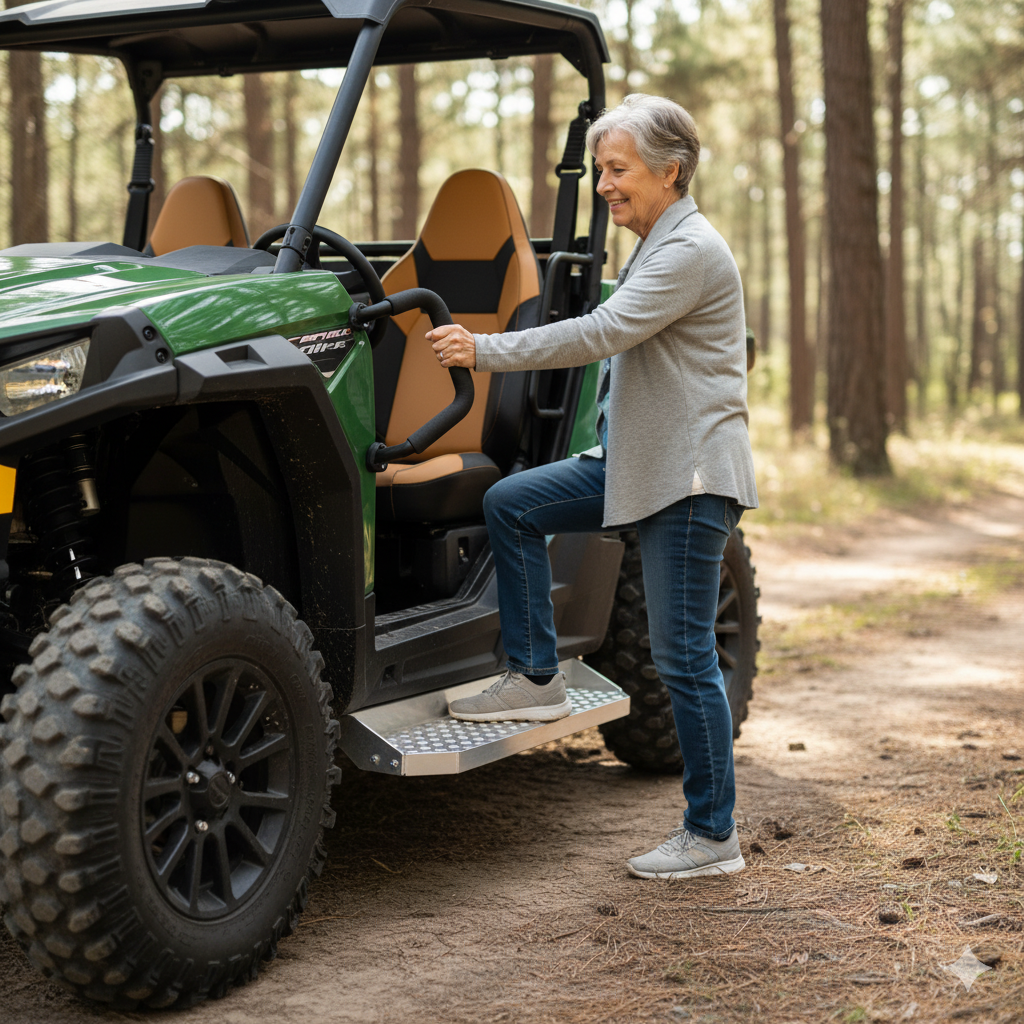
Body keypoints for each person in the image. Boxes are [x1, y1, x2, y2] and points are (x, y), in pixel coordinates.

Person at [426, 94, 758, 880]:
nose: (606, 185)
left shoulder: (687, 251)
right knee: (513, 502)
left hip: (687, 476)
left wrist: (485, 350)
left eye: (619, 170)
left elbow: (601, 334)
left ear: (670, 171)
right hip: (633, 460)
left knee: (682, 659)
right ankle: (538, 677)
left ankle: (713, 836)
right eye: (602, 169)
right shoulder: (654, 241)